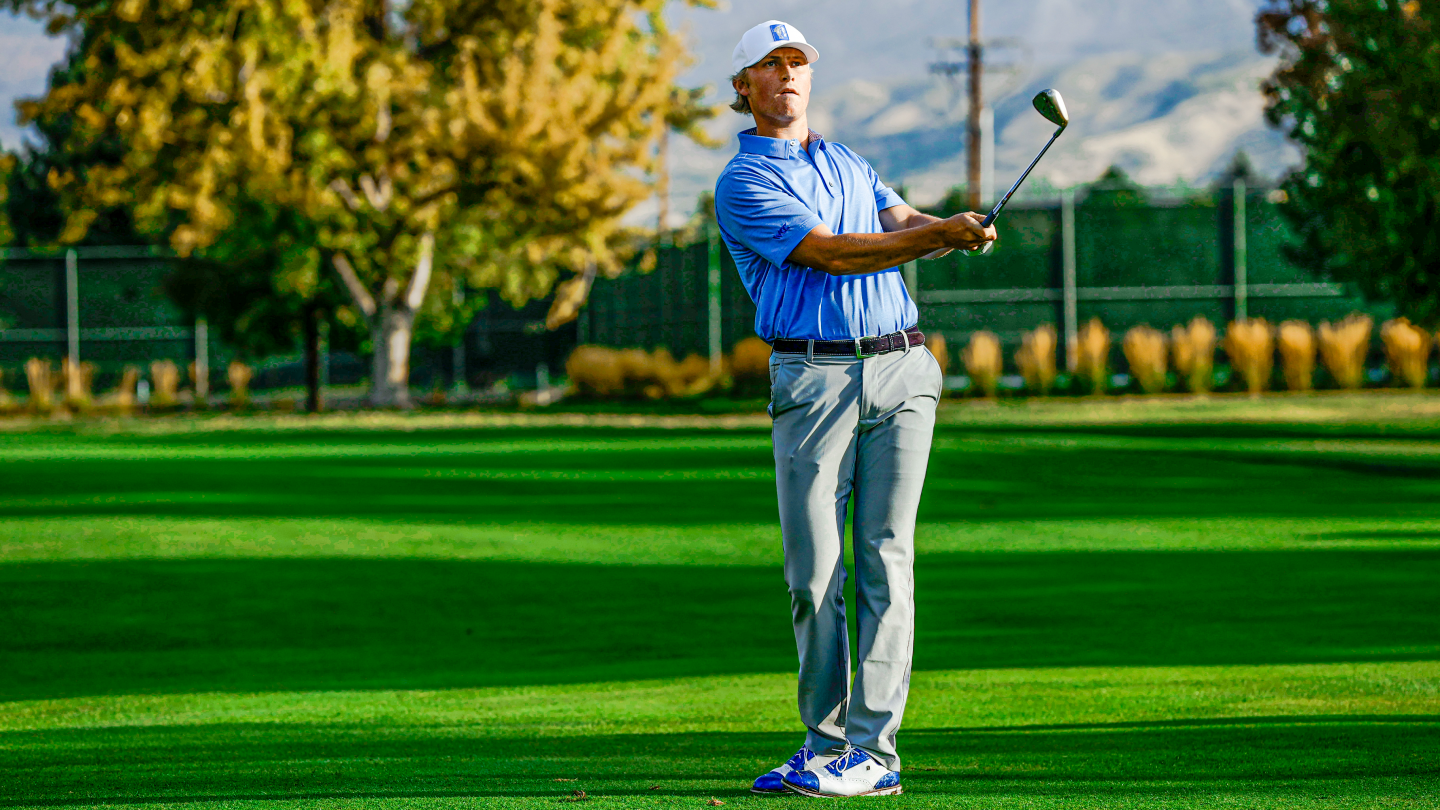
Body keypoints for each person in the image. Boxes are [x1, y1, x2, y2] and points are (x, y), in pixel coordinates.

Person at [713, 19, 997, 799]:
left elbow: (898, 224)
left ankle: (873, 753)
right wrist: (934, 234)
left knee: (885, 558)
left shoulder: (847, 161)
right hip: (813, 383)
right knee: (814, 574)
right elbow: (833, 252)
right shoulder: (743, 183)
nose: (787, 76)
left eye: (798, 63)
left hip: (903, 371)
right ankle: (823, 742)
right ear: (744, 89)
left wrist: (954, 230)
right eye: (770, 67)